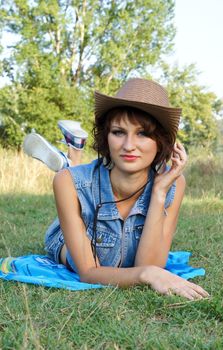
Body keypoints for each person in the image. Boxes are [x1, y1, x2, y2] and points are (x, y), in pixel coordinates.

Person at [23, 78, 209, 300]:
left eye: (143, 133)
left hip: (127, 191)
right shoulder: (66, 183)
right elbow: (89, 272)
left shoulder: (174, 183)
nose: (129, 145)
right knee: (73, 251)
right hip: (70, 233)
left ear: (161, 142)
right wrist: (147, 274)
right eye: (119, 132)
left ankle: (73, 154)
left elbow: (150, 265)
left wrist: (159, 193)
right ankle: (71, 165)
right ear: (106, 137)